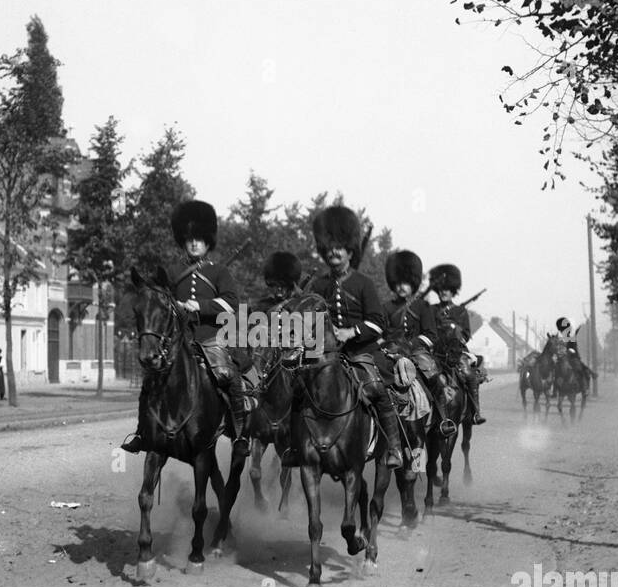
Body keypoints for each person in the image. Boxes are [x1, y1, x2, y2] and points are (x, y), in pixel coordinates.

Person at [120, 199, 256, 456]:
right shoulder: (172, 272)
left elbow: (231, 304)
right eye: (190, 238)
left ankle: (239, 436)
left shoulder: (219, 273)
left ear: (208, 242)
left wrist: (199, 305)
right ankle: (142, 433)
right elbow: (160, 301)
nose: (194, 243)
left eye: (200, 239)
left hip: (210, 339)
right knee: (151, 380)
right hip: (177, 341)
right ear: (183, 240)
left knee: (230, 377)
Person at [288, 205, 406, 469]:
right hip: (325, 355)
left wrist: (351, 332)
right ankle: (294, 447)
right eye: (329, 247)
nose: (333, 251)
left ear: (350, 250)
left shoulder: (363, 283)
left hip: (361, 352)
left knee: (377, 389)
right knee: (297, 390)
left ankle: (395, 448)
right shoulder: (318, 285)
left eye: (339, 246)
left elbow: (377, 323)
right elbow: (309, 321)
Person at [428, 264, 487, 425]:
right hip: (434, 351)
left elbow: (466, 335)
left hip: (455, 352)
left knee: (469, 374)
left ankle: (475, 412)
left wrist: (455, 330)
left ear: (453, 291)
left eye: (446, 289)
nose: (443, 292)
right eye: (440, 289)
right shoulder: (431, 310)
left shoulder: (460, 312)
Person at [380, 250, 441, 390]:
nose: (401, 287)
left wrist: (409, 344)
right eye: (398, 283)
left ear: (413, 283)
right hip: (391, 353)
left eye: (406, 283)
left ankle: (441, 411)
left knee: (434, 380)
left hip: (416, 353)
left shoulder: (423, 306)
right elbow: (380, 335)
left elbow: (431, 336)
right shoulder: (386, 307)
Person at [552, 317, 596, 392]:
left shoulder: (572, 339)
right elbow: (558, 349)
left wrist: (570, 351)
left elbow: (573, 349)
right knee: (554, 371)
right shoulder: (561, 339)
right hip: (563, 358)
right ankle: (555, 390)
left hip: (573, 357)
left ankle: (585, 387)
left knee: (579, 368)